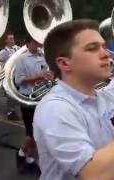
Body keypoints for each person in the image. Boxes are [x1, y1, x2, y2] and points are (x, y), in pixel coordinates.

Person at [33, 19, 114, 180]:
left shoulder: (106, 96)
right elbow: (95, 174)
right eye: (92, 48)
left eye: (104, 46)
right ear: (64, 63)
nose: (106, 54)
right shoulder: (54, 108)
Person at [14, 34, 53, 173]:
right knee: (32, 133)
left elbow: (48, 74)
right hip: (28, 98)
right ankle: (21, 153)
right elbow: (19, 80)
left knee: (40, 133)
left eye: (39, 42)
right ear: (28, 43)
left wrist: (50, 76)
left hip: (42, 98)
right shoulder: (21, 59)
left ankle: (30, 159)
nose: (38, 44)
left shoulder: (43, 56)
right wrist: (39, 76)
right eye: (35, 42)